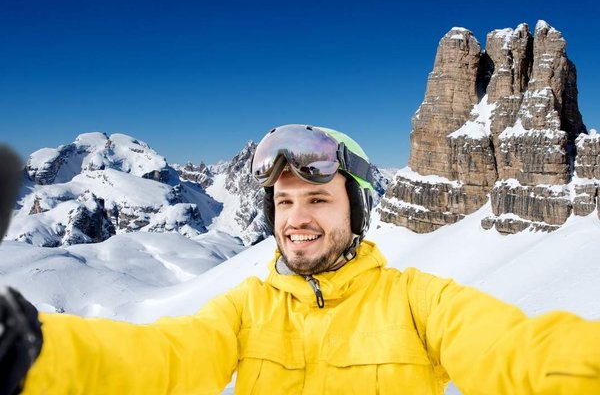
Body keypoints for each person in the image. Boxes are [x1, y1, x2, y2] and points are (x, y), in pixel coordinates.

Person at [0, 124, 599, 394]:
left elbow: (517, 354)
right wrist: (33, 352)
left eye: (317, 198)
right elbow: (160, 360)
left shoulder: (420, 302)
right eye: (284, 202)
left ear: (356, 212)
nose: (296, 219)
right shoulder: (245, 310)